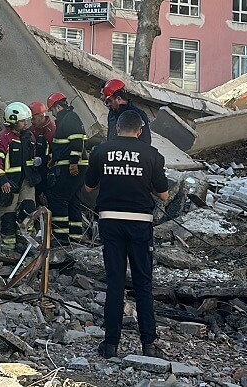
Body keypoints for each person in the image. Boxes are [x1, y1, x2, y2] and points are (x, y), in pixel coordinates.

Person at [84, 109, 169, 360]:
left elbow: (89, 187)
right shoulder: (152, 155)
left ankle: (110, 344)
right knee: (143, 283)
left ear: (117, 128)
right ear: (140, 131)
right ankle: (148, 344)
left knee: (115, 282)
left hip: (110, 222)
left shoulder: (101, 152)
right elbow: (163, 194)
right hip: (140, 223)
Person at [0, 102, 36, 252]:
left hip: (26, 181)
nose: (26, 123)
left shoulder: (29, 137)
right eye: (23, 121)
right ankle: (8, 247)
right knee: (8, 215)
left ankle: (25, 243)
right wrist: (2, 180)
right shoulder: (2, 138)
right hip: (9, 183)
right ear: (13, 120)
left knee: (28, 209)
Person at [44, 92, 88, 244]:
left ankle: (61, 238)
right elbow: (66, 143)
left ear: (58, 107)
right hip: (71, 165)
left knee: (59, 199)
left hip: (70, 167)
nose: (52, 113)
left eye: (52, 110)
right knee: (73, 201)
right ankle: (75, 237)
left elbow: (77, 141)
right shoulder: (68, 118)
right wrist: (54, 158)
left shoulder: (69, 119)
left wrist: (73, 162)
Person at [101, 78, 151, 144]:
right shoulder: (112, 113)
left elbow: (145, 140)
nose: (109, 104)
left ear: (119, 99)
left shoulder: (138, 114)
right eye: (107, 102)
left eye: (110, 101)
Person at [28, 100, 56, 199]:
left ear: (41, 116)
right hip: (33, 168)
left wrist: (43, 160)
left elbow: (57, 153)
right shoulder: (32, 129)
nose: (32, 121)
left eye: (33, 118)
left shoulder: (52, 131)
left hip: (46, 169)